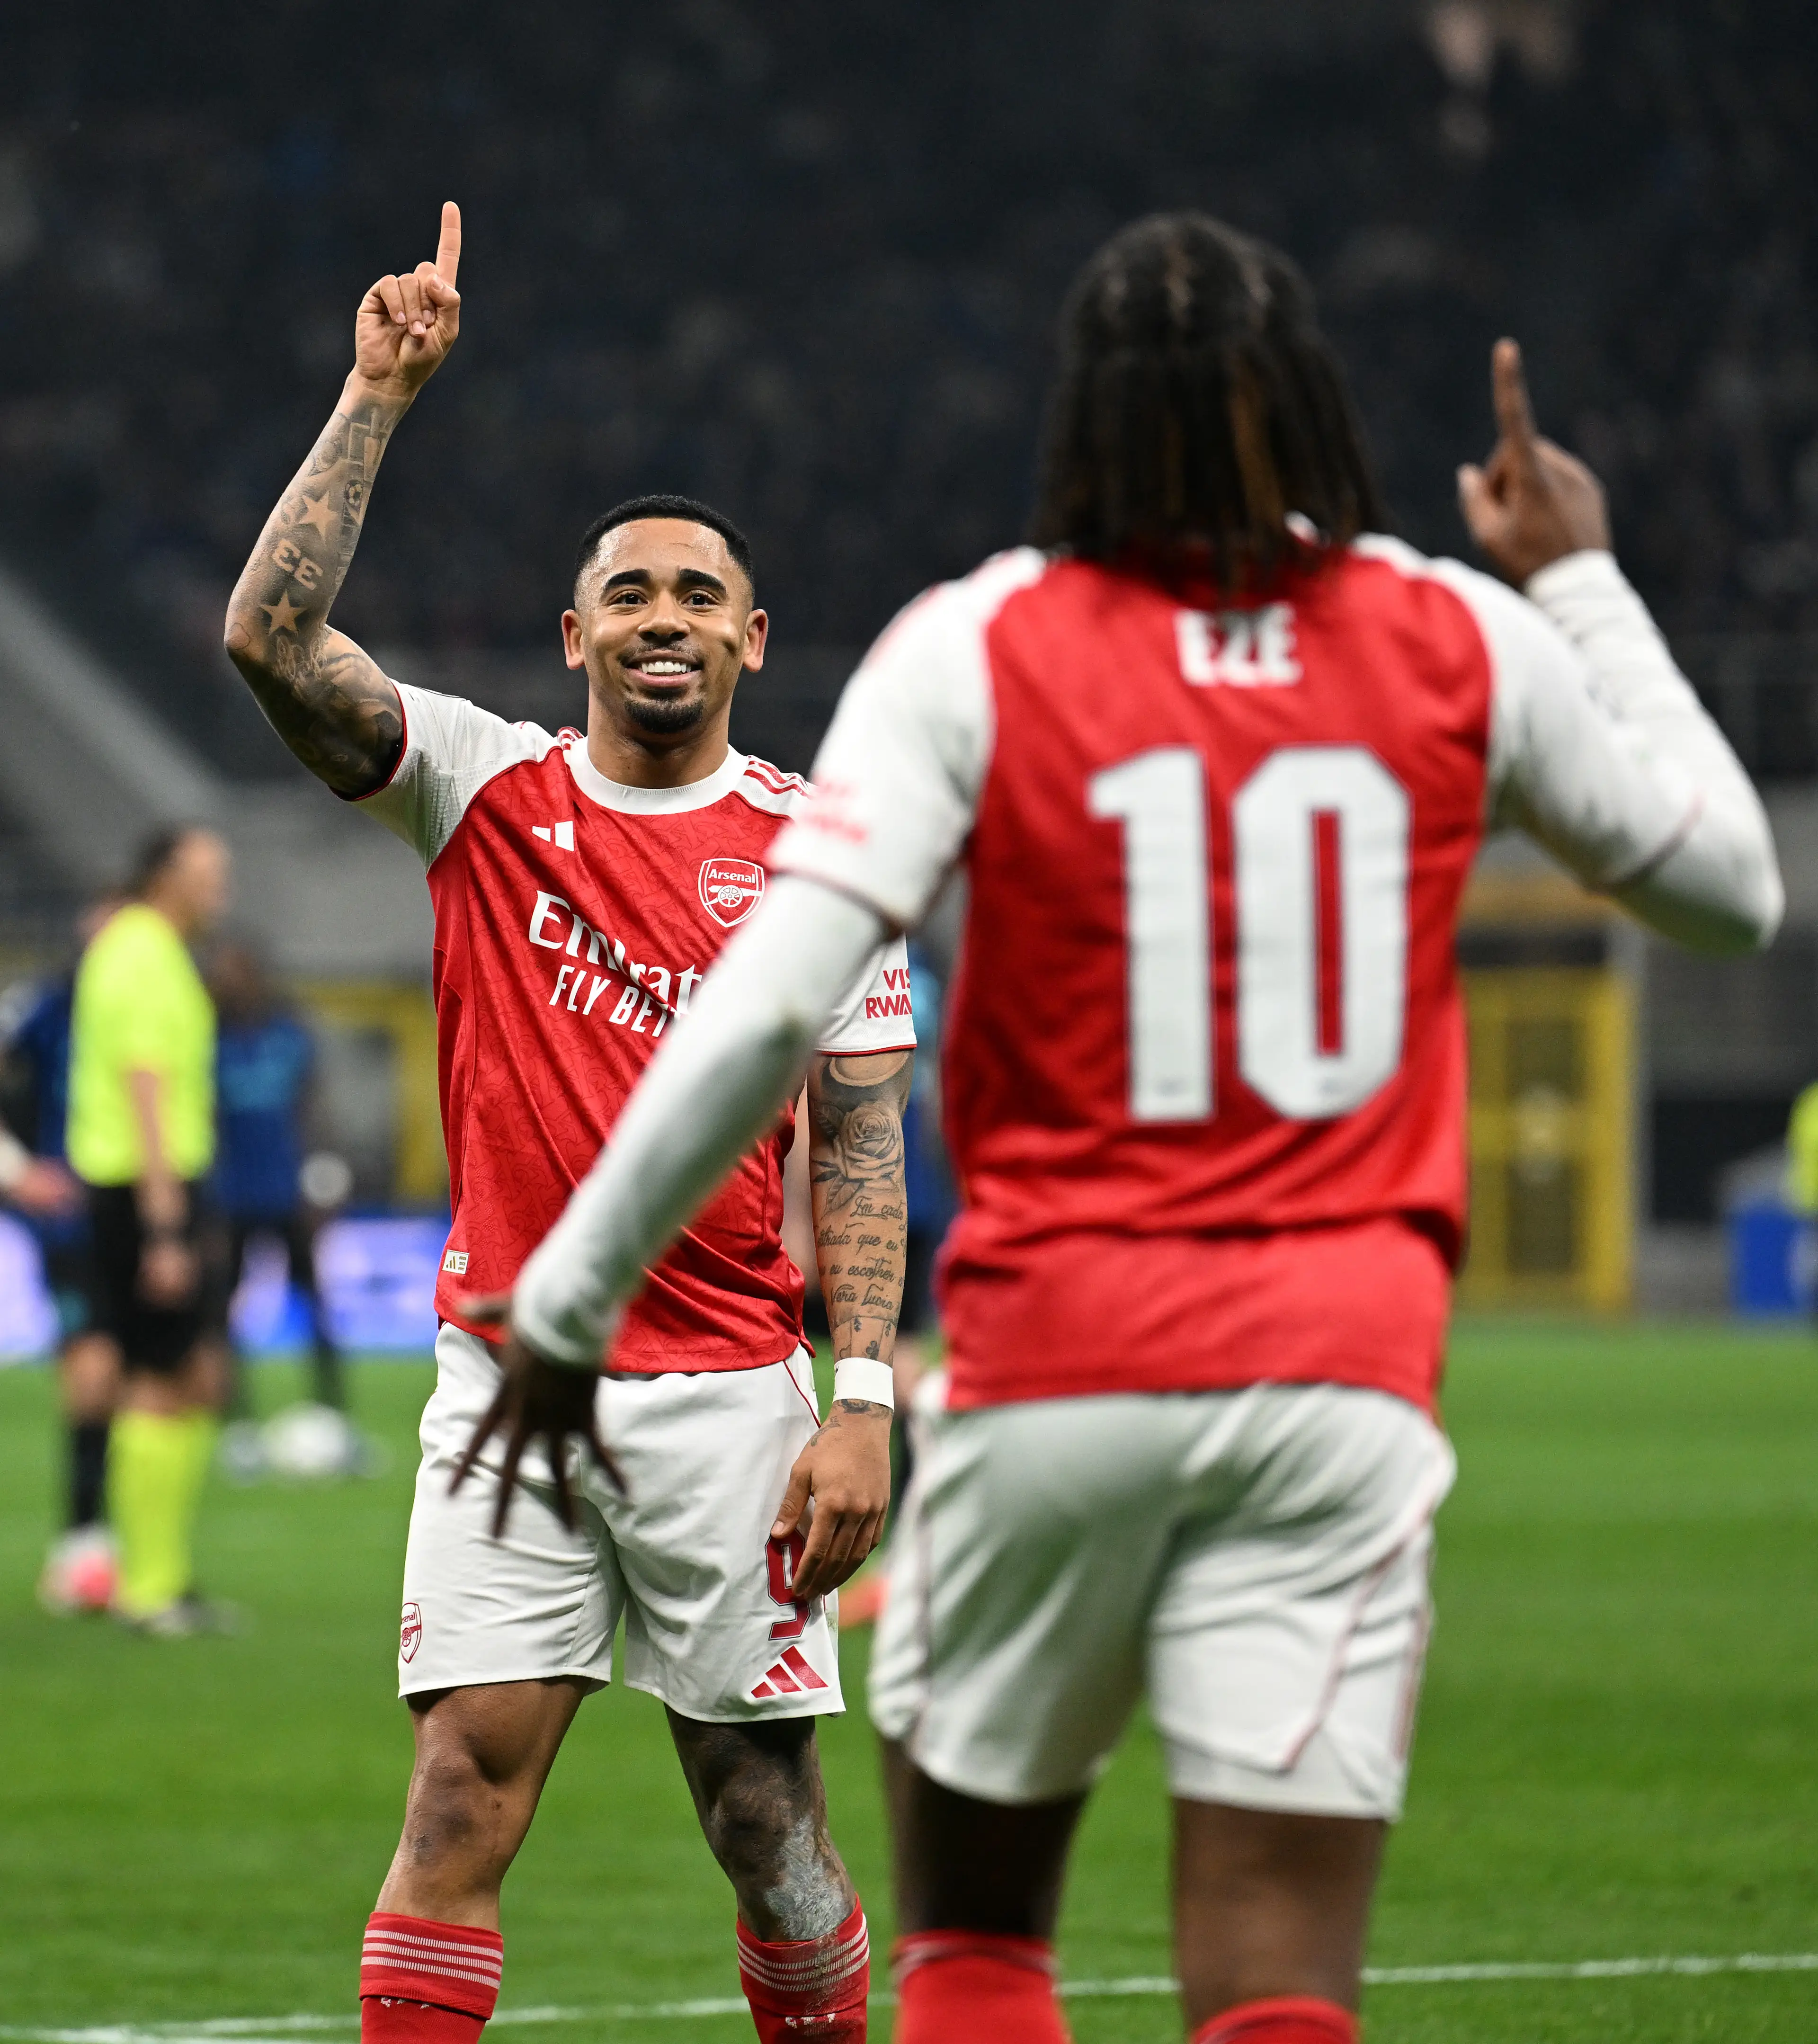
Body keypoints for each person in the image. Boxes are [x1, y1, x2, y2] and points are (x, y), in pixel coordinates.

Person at [471, 214, 1782, 2044]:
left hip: (1058, 1365)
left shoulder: (979, 644)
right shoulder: (1449, 631)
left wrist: (566, 1297)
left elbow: (777, 998)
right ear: (1307, 406)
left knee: (980, 1929)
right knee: (1271, 1957)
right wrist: (1581, 582)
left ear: (1082, 414)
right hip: (1341, 1380)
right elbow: (1734, 891)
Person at [223, 203, 914, 2044]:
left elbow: (855, 1138)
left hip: (727, 1396)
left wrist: (864, 1404)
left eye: (698, 594)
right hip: (505, 1378)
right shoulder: (481, 783)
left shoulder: (824, 856)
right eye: (631, 591)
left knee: (764, 1820)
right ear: (576, 630)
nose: (664, 619)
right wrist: (377, 392)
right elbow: (270, 635)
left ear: (753, 637)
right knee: (458, 1795)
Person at [68, 825, 233, 1635]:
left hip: (148, 1187)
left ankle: (156, 1577)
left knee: (190, 1375)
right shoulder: (139, 954)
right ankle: (148, 1585)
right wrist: (166, 1224)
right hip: (145, 1191)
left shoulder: (144, 946)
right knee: (163, 1379)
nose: (219, 889)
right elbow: (143, 1085)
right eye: (207, 874)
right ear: (165, 875)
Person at [2, 896, 128, 1613]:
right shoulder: (48, 1010)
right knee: (93, 1366)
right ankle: (83, 1542)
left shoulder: (155, 999)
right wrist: (18, 1171)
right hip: (75, 1225)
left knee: (153, 1379)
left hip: (137, 1216)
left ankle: (129, 1549)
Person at [209, 942, 347, 1419]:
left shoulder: (289, 1036)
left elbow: (315, 1113)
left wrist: (324, 1184)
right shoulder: (207, 1040)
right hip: (230, 1198)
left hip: (289, 1194)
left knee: (314, 1305)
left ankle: (332, 1409)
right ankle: (236, 1419)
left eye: (238, 973)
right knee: (224, 1313)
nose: (230, 984)